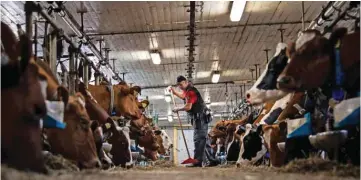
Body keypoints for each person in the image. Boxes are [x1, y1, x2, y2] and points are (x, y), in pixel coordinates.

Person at [170, 75, 219, 167]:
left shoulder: (191, 92)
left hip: (200, 118)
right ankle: (213, 160)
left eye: (180, 84)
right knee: (204, 140)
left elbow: (188, 106)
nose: (180, 87)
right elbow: (183, 96)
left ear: (185, 82)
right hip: (199, 118)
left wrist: (177, 109)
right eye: (178, 85)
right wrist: (174, 92)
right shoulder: (187, 90)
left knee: (199, 140)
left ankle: (197, 162)